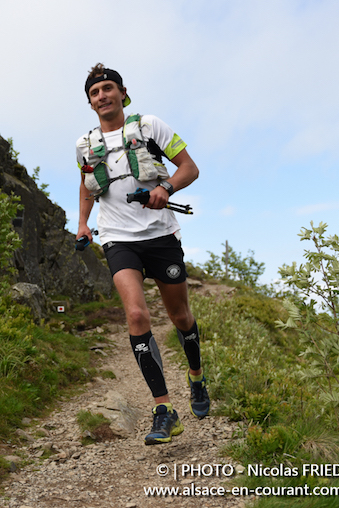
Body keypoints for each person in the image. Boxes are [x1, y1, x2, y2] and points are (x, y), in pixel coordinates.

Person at [75, 64, 209, 445]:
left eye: (107, 88)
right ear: (90, 102)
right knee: (135, 314)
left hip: (160, 234)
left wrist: (165, 188)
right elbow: (87, 186)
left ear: (122, 92)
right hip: (118, 238)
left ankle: (196, 377)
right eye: (95, 92)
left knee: (180, 316)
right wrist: (83, 224)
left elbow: (190, 168)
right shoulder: (85, 145)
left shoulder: (150, 126)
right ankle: (164, 410)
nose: (102, 96)